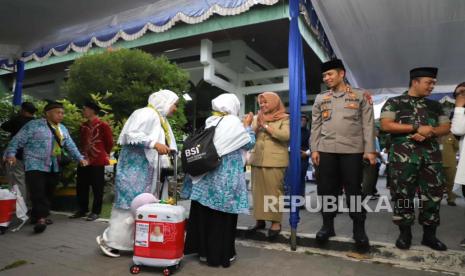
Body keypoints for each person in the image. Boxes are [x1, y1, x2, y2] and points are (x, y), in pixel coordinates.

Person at [96, 90, 178, 258]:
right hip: (133, 170)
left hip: (145, 170)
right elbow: (130, 135)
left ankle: (134, 243)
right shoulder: (145, 113)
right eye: (174, 104)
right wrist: (153, 143)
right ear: (163, 101)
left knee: (142, 206)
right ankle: (111, 242)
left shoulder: (160, 119)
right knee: (128, 205)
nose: (175, 108)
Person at [380, 67, 450, 251]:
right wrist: (416, 128)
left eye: (433, 83)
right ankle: (405, 234)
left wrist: (430, 131)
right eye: (429, 82)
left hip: (431, 159)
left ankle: (430, 236)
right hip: (403, 160)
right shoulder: (394, 102)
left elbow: (446, 127)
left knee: (433, 196)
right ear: (415, 82)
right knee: (403, 196)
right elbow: (386, 125)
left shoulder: (435, 106)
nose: (432, 86)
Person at [182, 93, 255, 267]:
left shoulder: (210, 121)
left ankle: (203, 253)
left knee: (205, 215)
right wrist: (248, 127)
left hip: (205, 177)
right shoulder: (231, 123)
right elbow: (248, 142)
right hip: (224, 178)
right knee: (222, 217)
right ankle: (220, 255)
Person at [310, 59, 376, 252]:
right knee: (326, 190)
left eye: (330, 74)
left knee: (353, 191)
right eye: (324, 76)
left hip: (352, 151)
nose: (326, 78)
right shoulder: (321, 98)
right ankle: (327, 226)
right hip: (326, 150)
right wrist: (314, 149)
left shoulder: (360, 95)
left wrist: (369, 150)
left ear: (341, 74)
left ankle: (359, 229)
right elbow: (316, 126)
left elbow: (368, 124)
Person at [3, 101, 87, 233]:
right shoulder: (33, 125)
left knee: (49, 190)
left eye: (62, 113)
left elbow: (70, 145)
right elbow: (17, 140)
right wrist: (11, 154)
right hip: (34, 163)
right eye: (58, 112)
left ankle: (36, 215)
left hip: (53, 165)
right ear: (47, 113)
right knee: (38, 191)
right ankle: (41, 219)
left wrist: (80, 158)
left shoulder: (62, 128)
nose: (61, 115)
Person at [248, 91, 289, 239]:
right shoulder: (257, 118)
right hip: (257, 159)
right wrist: (253, 125)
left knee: (273, 193)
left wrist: (265, 125)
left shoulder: (285, 118)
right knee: (257, 192)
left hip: (275, 161)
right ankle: (260, 221)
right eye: (261, 102)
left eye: (266, 102)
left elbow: (285, 135)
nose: (263, 105)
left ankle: (275, 223)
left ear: (274, 102)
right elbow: (248, 134)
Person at [69, 100, 114, 221]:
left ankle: (96, 211)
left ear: (92, 110)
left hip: (98, 160)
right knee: (81, 185)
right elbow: (81, 142)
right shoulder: (83, 126)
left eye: (85, 109)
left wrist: (104, 154)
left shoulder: (103, 125)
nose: (83, 111)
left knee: (97, 186)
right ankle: (82, 209)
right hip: (84, 159)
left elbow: (109, 143)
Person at [1, 102, 37, 208]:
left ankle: (21, 206)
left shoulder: (17, 120)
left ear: (23, 110)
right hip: (32, 156)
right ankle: (29, 204)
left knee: (17, 180)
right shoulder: (36, 123)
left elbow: (4, 126)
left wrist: (16, 116)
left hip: (16, 155)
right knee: (29, 181)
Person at [449, 82, 465, 248]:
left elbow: (459, 129)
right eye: (458, 93)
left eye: (463, 92)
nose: (460, 96)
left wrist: (459, 107)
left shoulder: (460, 111)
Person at [440, 132, 459, 206]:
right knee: (435, 183)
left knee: (451, 182)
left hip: (450, 162)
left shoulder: (453, 135)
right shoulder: (434, 134)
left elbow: (456, 147)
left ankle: (451, 199)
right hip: (436, 163)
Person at [300, 114, 311, 197]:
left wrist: (306, 153)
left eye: (304, 120)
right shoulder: (293, 131)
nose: (303, 122)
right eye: (301, 120)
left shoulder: (309, 133)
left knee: (301, 178)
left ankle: (301, 199)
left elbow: (312, 145)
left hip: (304, 158)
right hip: (292, 157)